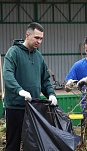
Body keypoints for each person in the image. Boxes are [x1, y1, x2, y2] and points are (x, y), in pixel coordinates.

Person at [3, 22, 57, 151]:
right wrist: (19, 90)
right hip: (15, 107)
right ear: (27, 35)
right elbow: (8, 75)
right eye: (36, 38)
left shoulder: (38, 56)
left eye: (41, 38)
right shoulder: (13, 53)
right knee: (13, 144)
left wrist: (51, 94)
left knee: (33, 144)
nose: (39, 41)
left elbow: (45, 80)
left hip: (33, 108)